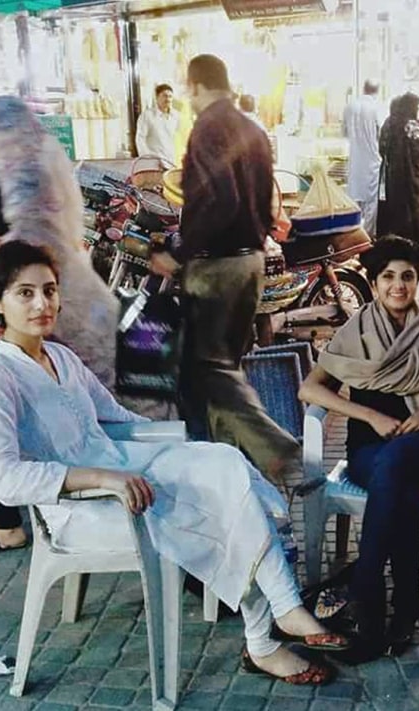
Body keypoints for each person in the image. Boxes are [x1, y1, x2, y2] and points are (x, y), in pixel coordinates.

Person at [0, 240, 350, 684]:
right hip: (83, 506)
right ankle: (270, 630)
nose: (42, 303)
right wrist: (103, 476)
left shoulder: (59, 356)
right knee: (228, 504)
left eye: (49, 290)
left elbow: (114, 416)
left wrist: (174, 438)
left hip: (128, 473)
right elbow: (2, 478)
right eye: (25, 293)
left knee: (223, 462)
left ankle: (280, 616)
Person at [299, 235, 419, 661]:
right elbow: (310, 389)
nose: (398, 285)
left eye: (407, 276)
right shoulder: (355, 331)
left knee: (402, 457)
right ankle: (406, 604)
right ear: (373, 282)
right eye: (388, 276)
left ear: (418, 280)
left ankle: (366, 594)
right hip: (366, 454)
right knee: (396, 479)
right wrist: (369, 415)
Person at [149, 55, 300, 486]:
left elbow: (220, 200)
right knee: (225, 368)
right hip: (250, 263)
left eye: (187, 90)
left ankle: (281, 453)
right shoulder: (252, 129)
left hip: (215, 267)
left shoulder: (209, 127)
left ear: (197, 85)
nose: (187, 101)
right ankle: (232, 472)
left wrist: (180, 254)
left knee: (208, 370)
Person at [0, 96, 119, 554]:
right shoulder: (43, 155)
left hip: (51, 322)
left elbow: (20, 245)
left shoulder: (20, 176)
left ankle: (11, 525)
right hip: (71, 308)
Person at [377, 93, 419, 255]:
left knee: (395, 210)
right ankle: (415, 246)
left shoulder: (388, 123)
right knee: (415, 211)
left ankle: (394, 244)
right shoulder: (412, 125)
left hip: (393, 176)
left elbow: (381, 149)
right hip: (412, 179)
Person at [343, 80, 382, 236]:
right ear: (377, 90)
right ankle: (367, 237)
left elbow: (344, 133)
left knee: (353, 199)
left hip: (355, 160)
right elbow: (381, 134)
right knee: (371, 202)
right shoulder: (376, 107)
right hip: (372, 160)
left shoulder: (350, 106)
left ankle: (353, 237)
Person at [135, 84, 180, 165]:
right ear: (157, 97)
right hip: (154, 163)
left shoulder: (176, 116)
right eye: (165, 96)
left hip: (171, 161)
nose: (168, 99)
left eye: (170, 96)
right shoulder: (147, 116)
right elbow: (140, 139)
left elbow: (177, 139)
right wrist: (148, 160)